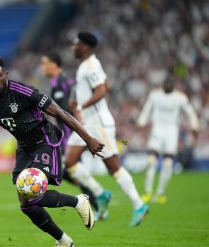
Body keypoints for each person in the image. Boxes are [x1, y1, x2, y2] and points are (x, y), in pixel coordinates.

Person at [0, 56, 104, 247]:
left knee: (32, 190)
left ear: (6, 75)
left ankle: (79, 201)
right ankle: (63, 241)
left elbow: (60, 113)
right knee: (26, 204)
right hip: (24, 147)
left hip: (45, 141)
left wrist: (88, 138)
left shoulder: (24, 92)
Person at [65, 32, 148, 226]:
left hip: (100, 124)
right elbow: (106, 84)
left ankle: (139, 204)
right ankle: (100, 194)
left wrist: (81, 106)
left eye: (76, 44)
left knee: (113, 166)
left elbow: (102, 90)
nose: (73, 47)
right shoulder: (87, 65)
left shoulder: (92, 65)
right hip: (88, 123)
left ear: (84, 46)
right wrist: (77, 100)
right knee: (69, 162)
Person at [40, 51, 111, 213]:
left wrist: (72, 135)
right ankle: (99, 205)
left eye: (44, 63)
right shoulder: (58, 82)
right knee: (71, 171)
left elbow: (67, 111)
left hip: (69, 134)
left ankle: (99, 197)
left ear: (54, 64)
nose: (42, 67)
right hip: (68, 133)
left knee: (69, 170)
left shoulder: (62, 82)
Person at [137, 74, 199, 203]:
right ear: (162, 85)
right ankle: (148, 191)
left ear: (173, 86)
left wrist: (194, 125)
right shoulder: (155, 95)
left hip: (171, 131)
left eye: (169, 84)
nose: (167, 86)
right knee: (151, 160)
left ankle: (160, 193)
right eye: (165, 84)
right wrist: (141, 121)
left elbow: (190, 111)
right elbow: (147, 109)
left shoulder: (180, 97)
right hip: (157, 129)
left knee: (168, 163)